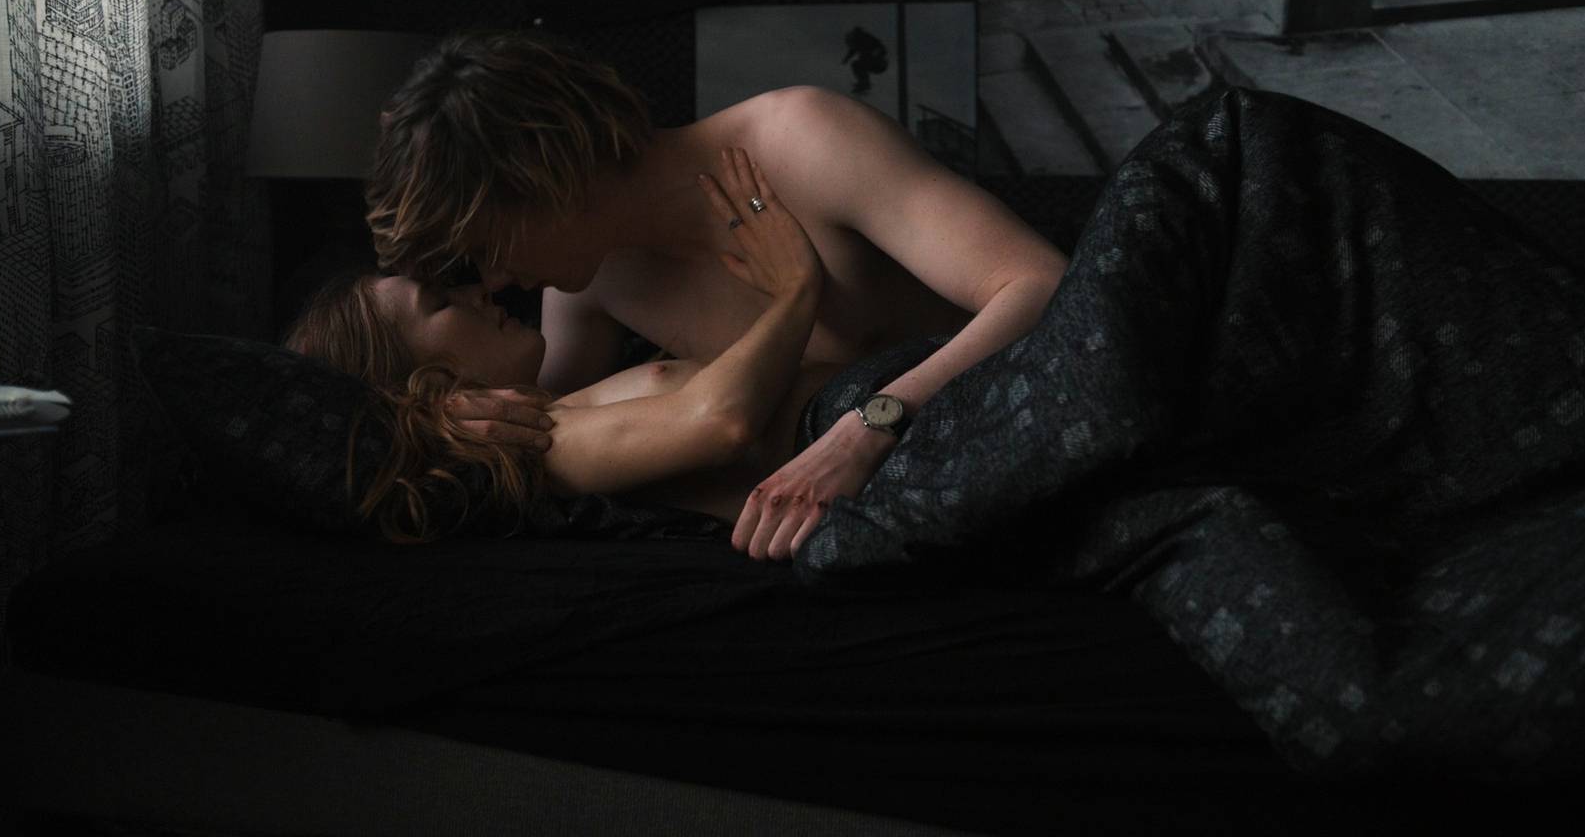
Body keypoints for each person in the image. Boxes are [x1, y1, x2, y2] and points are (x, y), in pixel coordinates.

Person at [364, 28, 1070, 560]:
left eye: (487, 247)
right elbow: (551, 437)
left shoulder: (802, 141)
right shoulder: (593, 280)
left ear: (544, 181)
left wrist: (868, 428)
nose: (492, 281)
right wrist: (449, 421)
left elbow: (1041, 282)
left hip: (1037, 427)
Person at [288, 147, 846, 541]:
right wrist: (797, 289)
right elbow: (722, 422)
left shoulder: (546, 410)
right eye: (438, 303)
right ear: (420, 384)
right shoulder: (535, 447)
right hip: (872, 446)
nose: (477, 292)